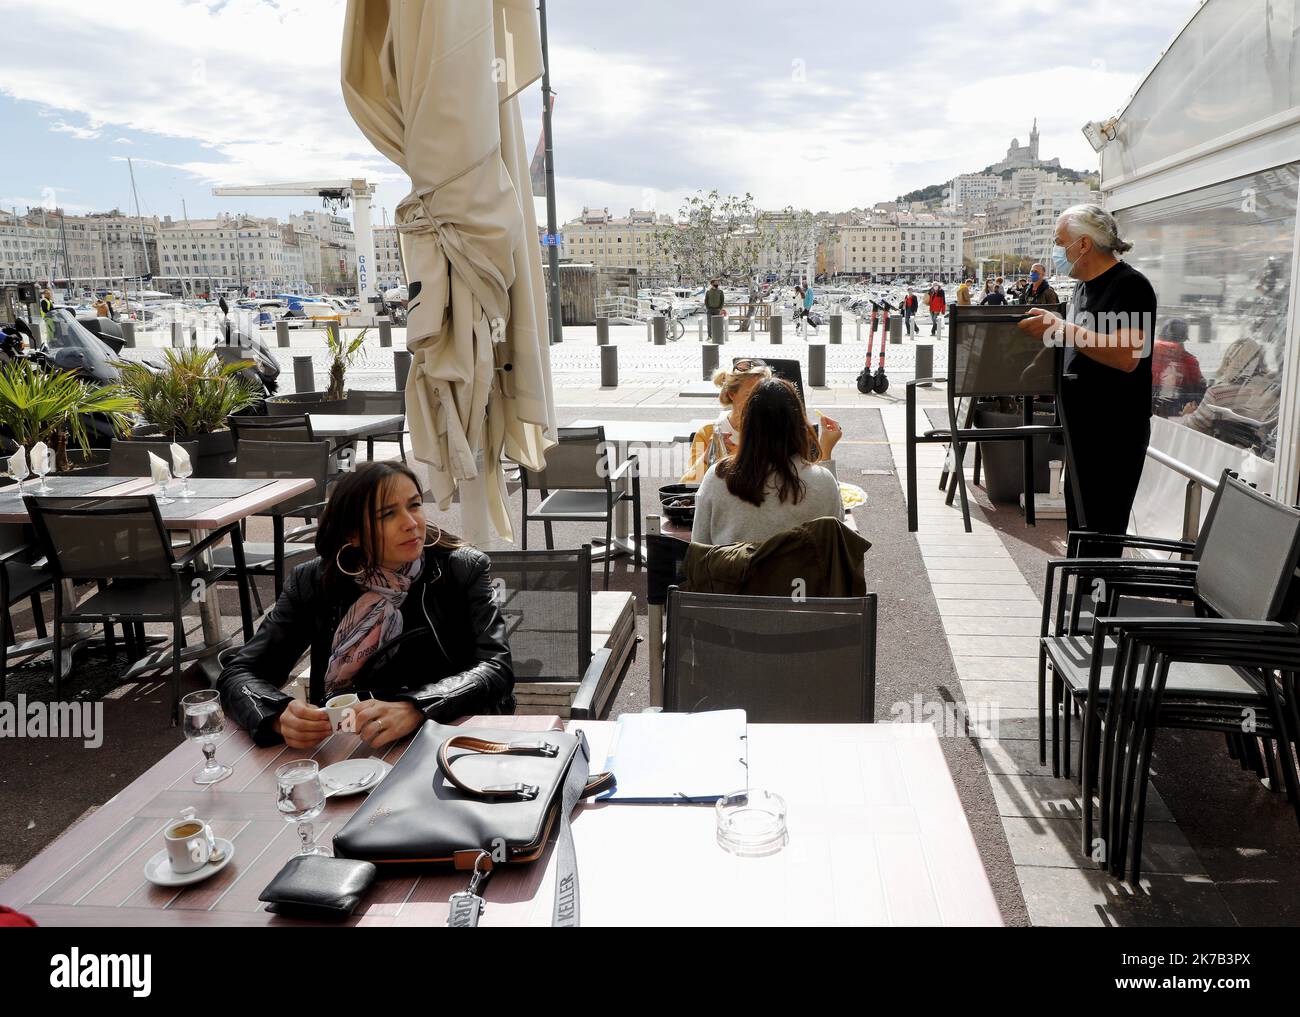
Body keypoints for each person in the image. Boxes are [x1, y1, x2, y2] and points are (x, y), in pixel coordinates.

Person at [218, 462, 514, 749]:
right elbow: (239, 673)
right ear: (353, 534)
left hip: (448, 737)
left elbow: (495, 667)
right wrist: (277, 715)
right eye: (387, 514)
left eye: (414, 505)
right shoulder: (314, 581)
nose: (412, 524)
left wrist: (416, 707)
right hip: (351, 744)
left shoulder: (460, 569)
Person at [1017, 203, 1156, 552]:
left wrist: (1063, 329)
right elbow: (1082, 345)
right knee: (1080, 528)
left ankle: (1097, 600)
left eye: (1059, 241)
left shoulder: (1131, 286)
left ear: (1083, 244)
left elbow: (1128, 356)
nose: (1055, 249)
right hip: (1080, 430)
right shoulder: (1081, 289)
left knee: (1102, 532)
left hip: (1113, 435)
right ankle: (1079, 598)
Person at [691, 377, 843, 546]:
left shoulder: (717, 478)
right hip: (800, 573)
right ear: (799, 425)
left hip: (735, 572)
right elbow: (837, 538)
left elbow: (699, 548)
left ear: (747, 424)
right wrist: (826, 453)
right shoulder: (823, 482)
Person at [682, 359, 842, 482]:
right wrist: (707, 456)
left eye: (766, 397)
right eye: (751, 396)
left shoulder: (782, 431)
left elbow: (810, 485)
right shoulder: (709, 433)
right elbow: (686, 488)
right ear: (732, 395)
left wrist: (825, 448)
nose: (760, 404)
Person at [1151, 317, 1205, 417]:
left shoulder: (1149, 357)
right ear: (1184, 339)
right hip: (1178, 414)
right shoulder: (1190, 361)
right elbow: (1197, 392)